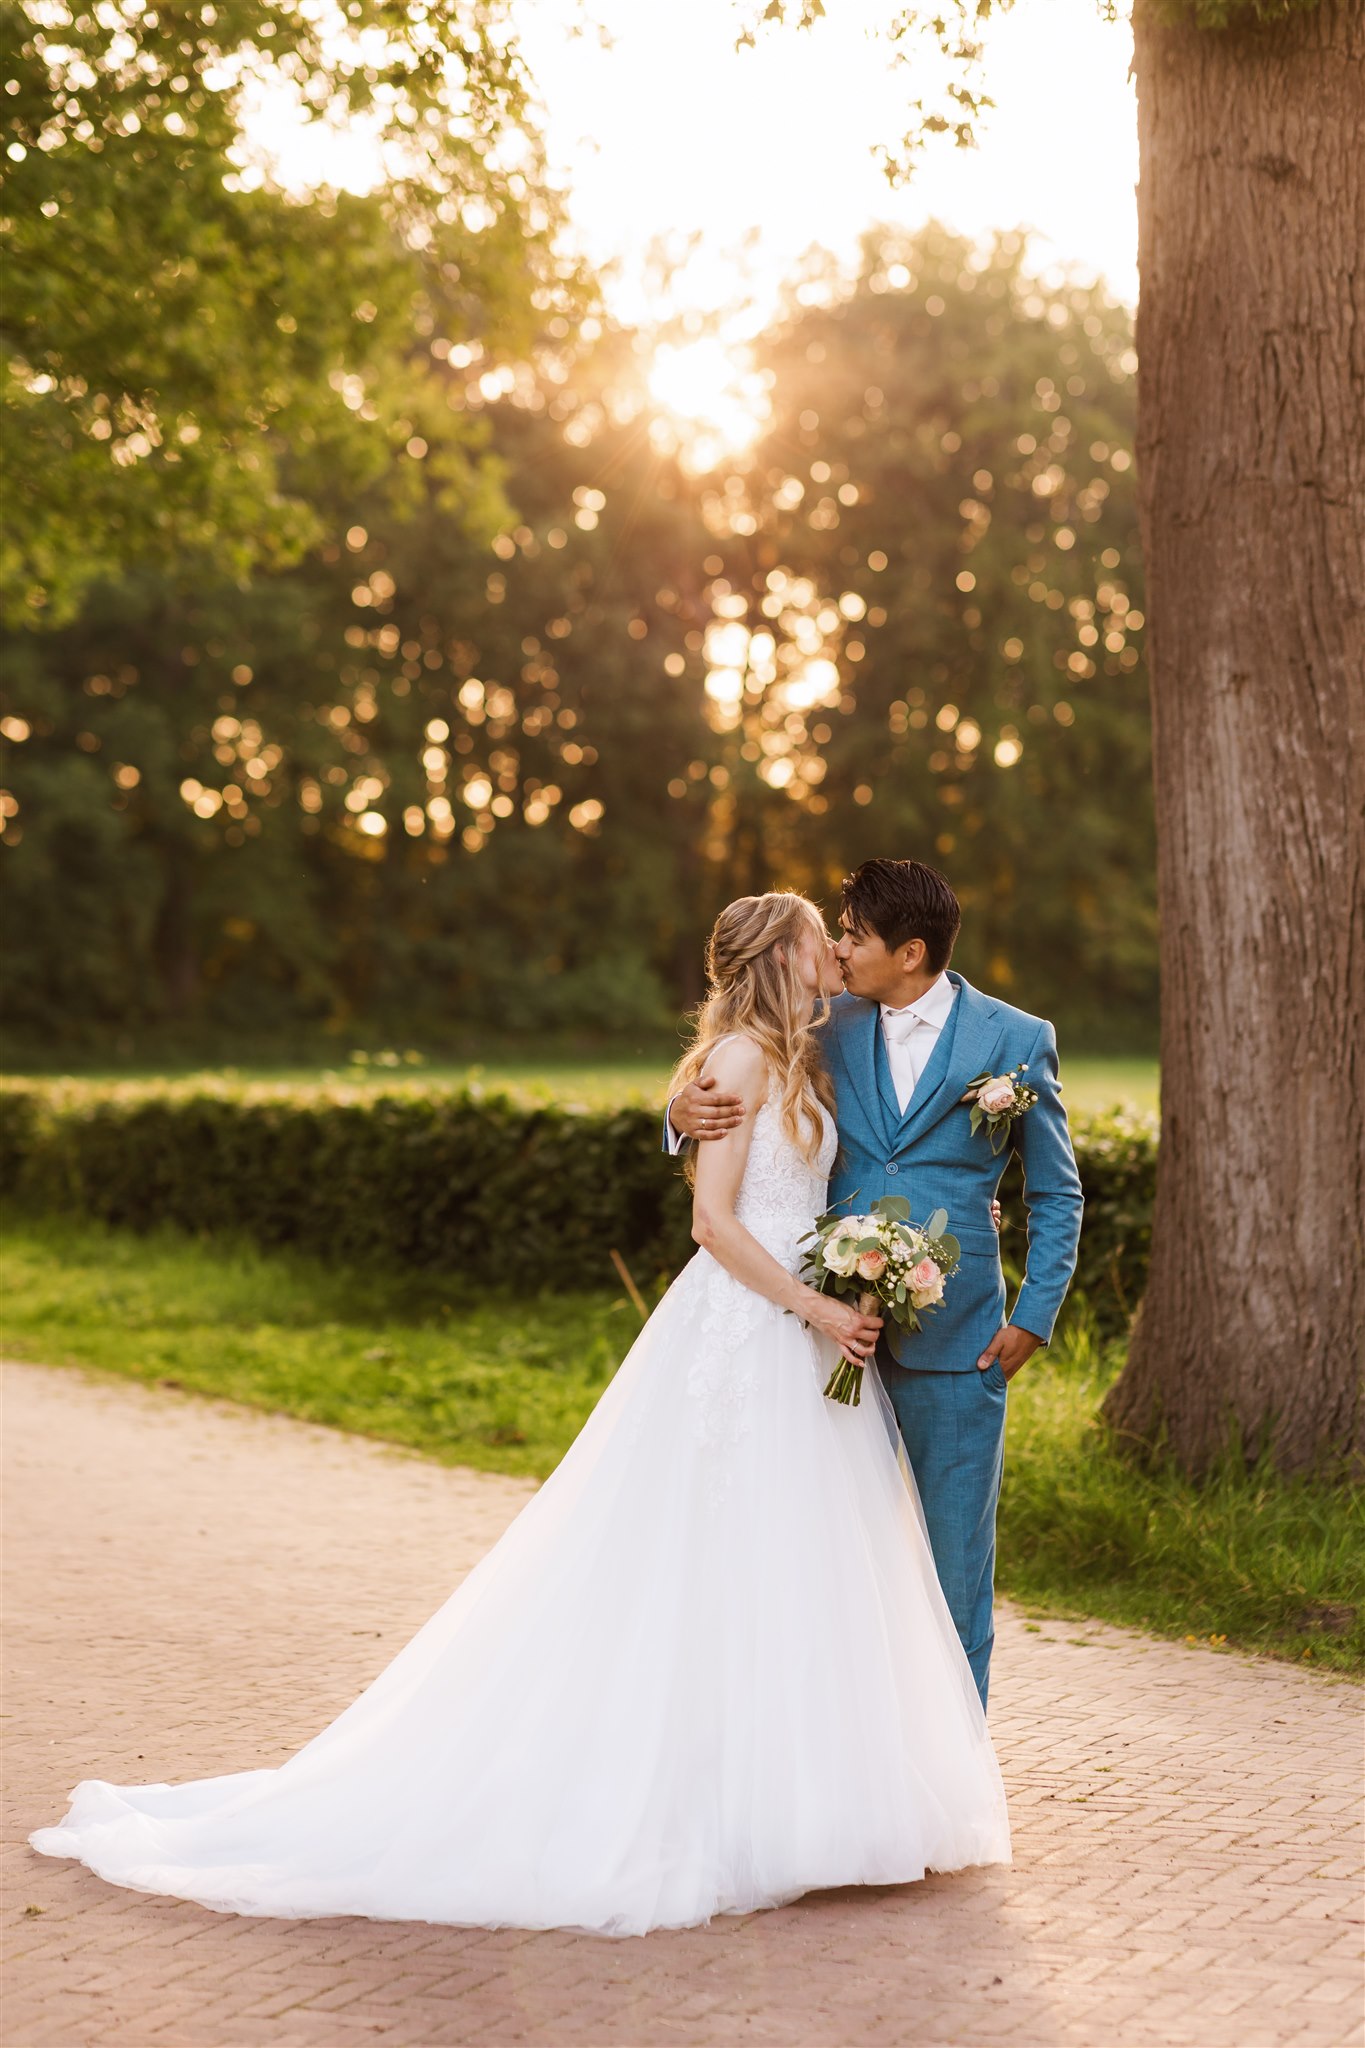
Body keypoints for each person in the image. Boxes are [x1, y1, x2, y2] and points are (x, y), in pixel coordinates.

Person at [31, 890, 1010, 1938]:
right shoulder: (733, 1064)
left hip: (807, 1337)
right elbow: (711, 1223)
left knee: (800, 1564)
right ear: (780, 952)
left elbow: (866, 1159)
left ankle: (807, 1796)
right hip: (748, 1330)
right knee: (708, 1552)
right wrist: (811, 1290)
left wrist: (892, 1250)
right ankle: (709, 1801)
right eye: (822, 931)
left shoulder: (825, 1044)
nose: (837, 946)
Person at [669, 859, 1083, 1707]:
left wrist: (1033, 1316)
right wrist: (676, 1114)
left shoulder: (1014, 1039)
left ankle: (956, 1774)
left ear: (912, 950)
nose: (838, 945)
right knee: (828, 1571)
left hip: (960, 1341)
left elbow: (1055, 1190)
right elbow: (733, 1053)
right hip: (816, 1341)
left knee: (952, 1572)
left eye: (854, 933)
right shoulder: (824, 1017)